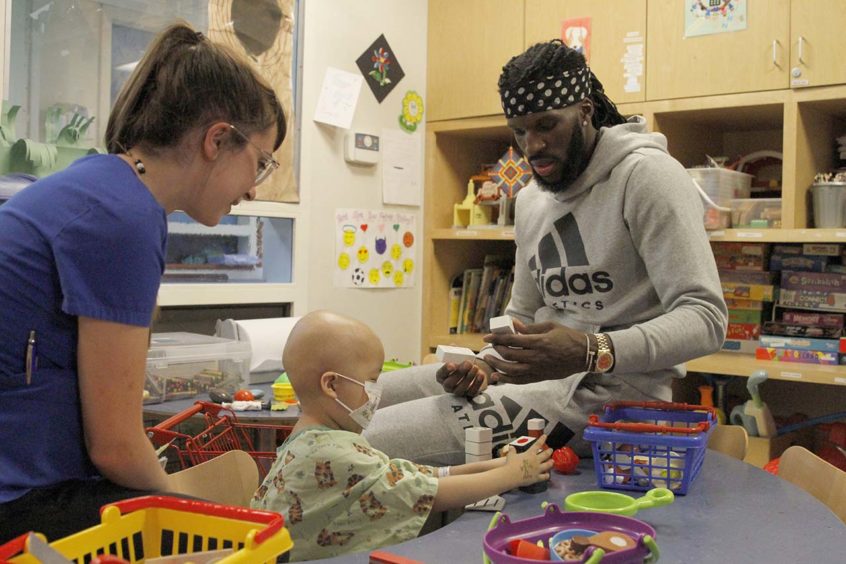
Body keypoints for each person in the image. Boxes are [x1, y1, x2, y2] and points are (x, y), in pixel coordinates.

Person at [362, 39, 727, 465]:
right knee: (358, 402)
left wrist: (591, 349)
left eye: (547, 125)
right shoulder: (532, 201)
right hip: (534, 383)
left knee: (369, 440)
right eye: (519, 131)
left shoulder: (648, 177)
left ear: (585, 111)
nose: (531, 146)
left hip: (611, 401)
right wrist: (488, 366)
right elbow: (521, 319)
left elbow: (706, 318)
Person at [0, 22, 286, 541]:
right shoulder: (122, 215)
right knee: (255, 543)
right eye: (260, 164)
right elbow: (114, 447)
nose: (252, 189)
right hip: (18, 499)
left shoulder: (102, 187)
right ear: (217, 139)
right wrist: (201, 519)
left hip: (26, 474)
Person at [251, 311, 552, 562]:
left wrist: (498, 466)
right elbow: (431, 493)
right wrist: (513, 474)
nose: (377, 393)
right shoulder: (333, 456)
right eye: (371, 381)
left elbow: (418, 475)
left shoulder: (312, 438)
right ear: (331, 385)